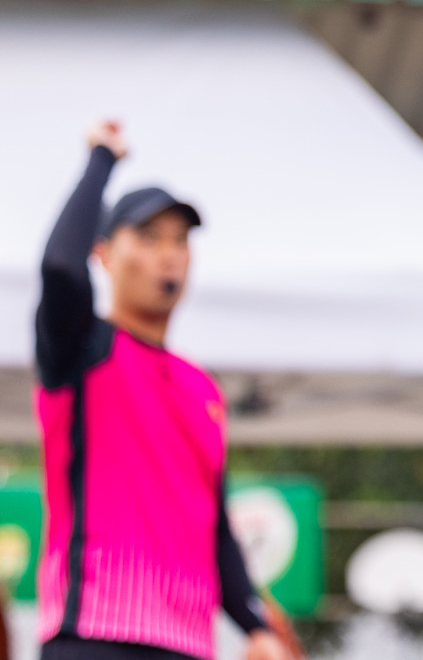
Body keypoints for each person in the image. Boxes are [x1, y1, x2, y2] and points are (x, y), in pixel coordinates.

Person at [34, 122, 287, 660]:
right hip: (93, 634)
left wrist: (255, 625)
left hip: (188, 645)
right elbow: (59, 267)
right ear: (102, 254)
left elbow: (213, 523)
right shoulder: (84, 347)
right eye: (147, 238)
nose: (168, 254)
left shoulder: (202, 387)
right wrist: (102, 158)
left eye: (179, 240)